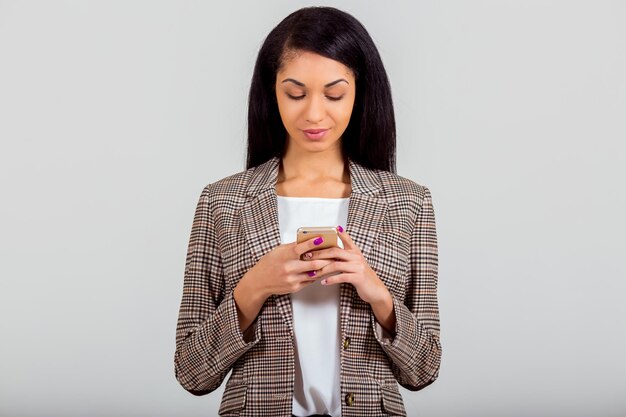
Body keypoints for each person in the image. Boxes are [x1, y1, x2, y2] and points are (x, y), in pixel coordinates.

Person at [174, 6, 441, 417]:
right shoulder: (222, 201)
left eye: (334, 94)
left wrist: (377, 295)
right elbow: (191, 372)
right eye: (295, 93)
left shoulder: (407, 202)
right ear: (272, 91)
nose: (314, 113)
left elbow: (424, 369)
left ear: (360, 91)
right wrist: (254, 288)